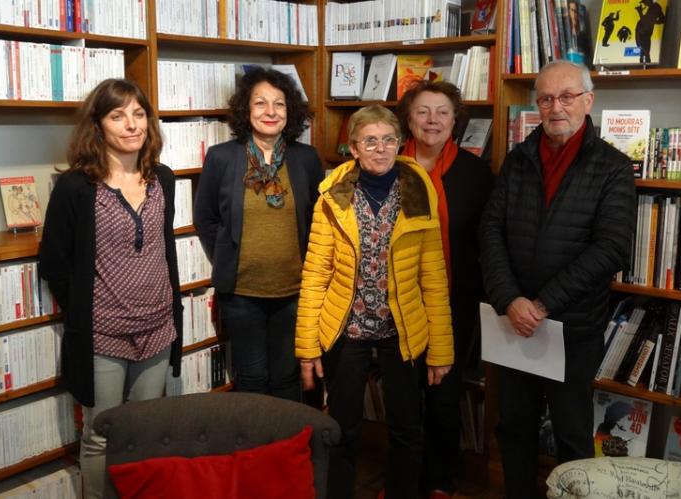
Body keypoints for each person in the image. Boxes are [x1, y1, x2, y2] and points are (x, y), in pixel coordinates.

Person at [479, 60, 636, 499]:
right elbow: (490, 229)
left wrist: (543, 304)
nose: (556, 107)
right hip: (513, 324)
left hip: (571, 331)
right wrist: (510, 299)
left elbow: (611, 249)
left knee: (572, 437)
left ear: (588, 100)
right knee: (513, 430)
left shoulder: (613, 168)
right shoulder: (518, 158)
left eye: (566, 96)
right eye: (546, 98)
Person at [295, 105, 454, 499]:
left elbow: (433, 277)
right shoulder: (332, 196)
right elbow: (316, 274)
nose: (380, 149)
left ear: (399, 144)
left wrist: (441, 350)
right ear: (353, 148)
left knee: (406, 428)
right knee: (342, 428)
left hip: (401, 331)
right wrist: (307, 347)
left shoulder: (418, 190)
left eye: (388, 140)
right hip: (345, 330)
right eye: (370, 141)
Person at [38, 79, 183, 499]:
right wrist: (90, 309)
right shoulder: (76, 188)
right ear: (97, 125)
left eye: (138, 114)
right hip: (102, 337)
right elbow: (55, 264)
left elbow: (162, 248)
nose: (131, 124)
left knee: (143, 434)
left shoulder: (164, 179)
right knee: (101, 435)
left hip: (158, 329)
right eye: (117, 115)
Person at [194, 67, 323, 402]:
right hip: (241, 292)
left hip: (295, 291)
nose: (270, 112)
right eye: (260, 103)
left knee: (286, 377)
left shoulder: (305, 158)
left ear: (289, 111)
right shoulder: (222, 157)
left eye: (279, 104)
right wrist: (226, 253)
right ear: (246, 110)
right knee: (252, 378)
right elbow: (205, 217)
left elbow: (316, 219)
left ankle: (285, 451)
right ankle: (257, 452)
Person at [396, 80, 494, 499]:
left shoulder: (475, 173)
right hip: (395, 302)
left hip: (453, 302)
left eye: (442, 112)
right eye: (423, 111)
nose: (432, 120)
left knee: (442, 396)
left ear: (456, 121)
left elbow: (487, 240)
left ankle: (439, 482)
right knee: (403, 395)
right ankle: (406, 482)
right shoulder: (387, 165)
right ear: (409, 119)